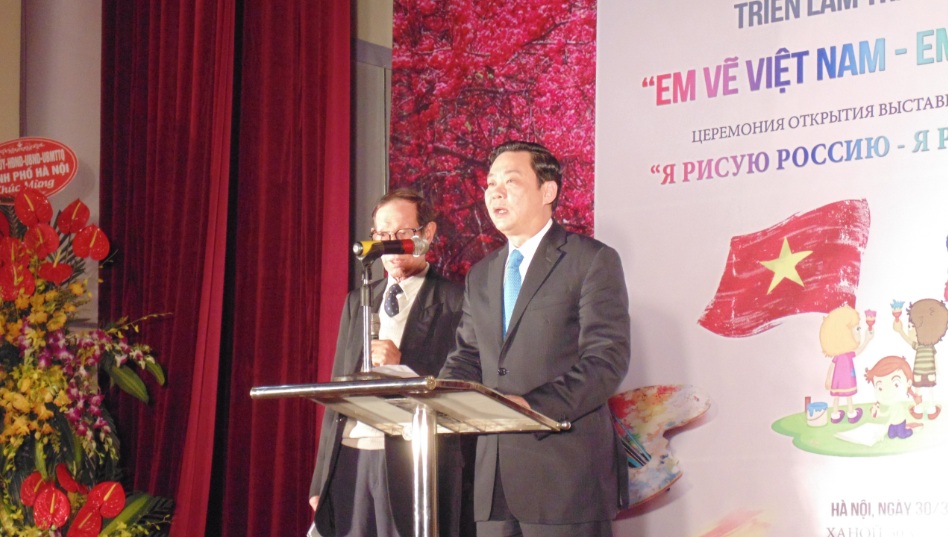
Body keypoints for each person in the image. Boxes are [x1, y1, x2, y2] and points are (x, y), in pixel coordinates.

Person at [439, 141, 631, 537]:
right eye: (490, 184)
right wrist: (437, 399)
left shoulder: (590, 260)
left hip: (565, 476)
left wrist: (531, 407)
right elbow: (468, 356)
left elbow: (606, 360)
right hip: (494, 484)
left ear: (548, 191)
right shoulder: (481, 274)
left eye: (510, 181)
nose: (495, 193)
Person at [310, 189, 469, 537]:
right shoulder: (358, 300)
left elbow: (462, 381)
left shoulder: (457, 300)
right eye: (383, 234)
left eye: (402, 233)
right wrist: (321, 477)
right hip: (352, 452)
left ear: (427, 234)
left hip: (410, 457)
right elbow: (338, 386)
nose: (391, 244)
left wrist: (403, 365)